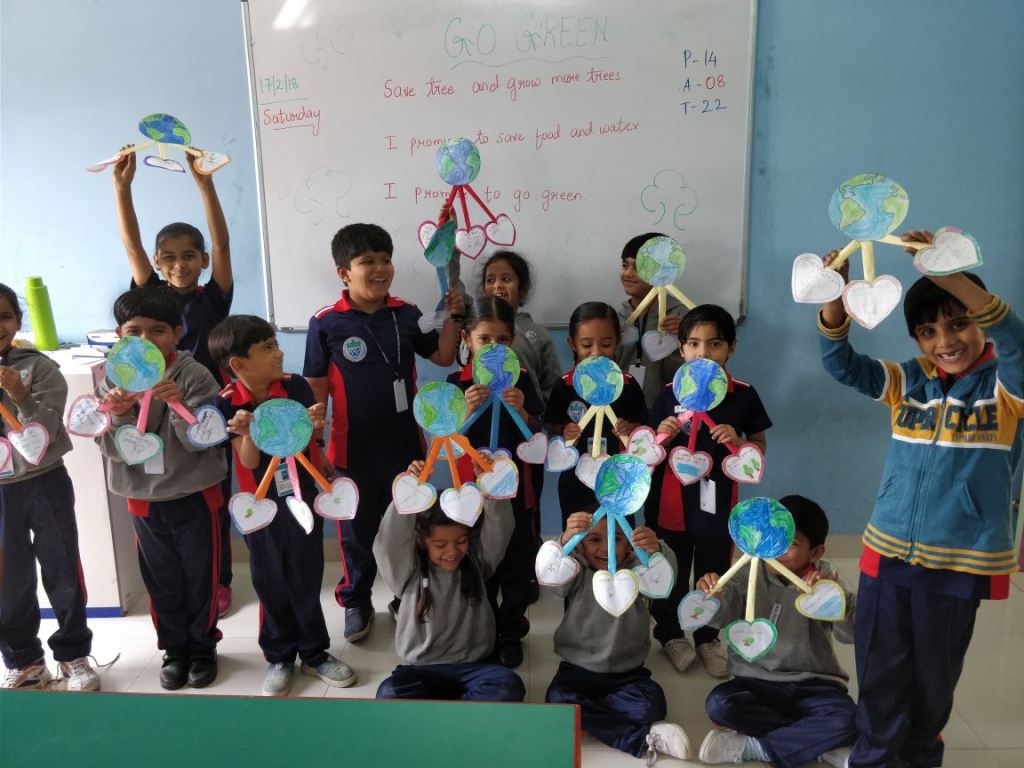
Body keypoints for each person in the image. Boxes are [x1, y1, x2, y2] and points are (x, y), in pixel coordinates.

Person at [818, 231, 1024, 767]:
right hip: (885, 554)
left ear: (980, 321)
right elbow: (842, 365)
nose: (945, 341)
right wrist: (834, 298)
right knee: (880, 673)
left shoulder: (1007, 388)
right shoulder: (908, 381)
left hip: (958, 561)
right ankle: (874, 757)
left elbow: (1015, 338)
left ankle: (917, 755)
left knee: (933, 683)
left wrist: (943, 273)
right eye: (928, 332)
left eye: (959, 323)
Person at [303, 223, 464, 642]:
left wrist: (453, 316)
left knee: (407, 527)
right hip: (350, 449)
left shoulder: (406, 313)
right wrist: (316, 444)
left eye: (385, 259)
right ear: (344, 273)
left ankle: (405, 595)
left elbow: (443, 356)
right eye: (367, 261)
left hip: (404, 446)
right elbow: (316, 387)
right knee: (356, 533)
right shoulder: (325, 323)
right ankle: (356, 601)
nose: (379, 268)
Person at [112, 148, 236, 616]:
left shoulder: (213, 298)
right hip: (156, 405)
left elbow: (222, 247)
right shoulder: (152, 300)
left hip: (204, 407)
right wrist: (122, 189)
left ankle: (219, 579)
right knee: (165, 494)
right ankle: (176, 582)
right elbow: (131, 247)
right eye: (169, 258)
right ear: (158, 263)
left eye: (189, 256)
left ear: (201, 260)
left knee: (213, 497)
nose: (179, 265)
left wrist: (205, 185)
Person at [209, 315, 356, 696]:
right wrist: (247, 432)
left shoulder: (295, 387)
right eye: (267, 348)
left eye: (275, 344)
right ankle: (279, 655)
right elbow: (249, 462)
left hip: (300, 499)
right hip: (259, 509)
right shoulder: (227, 402)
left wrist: (314, 423)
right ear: (239, 364)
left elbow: (306, 442)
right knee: (270, 579)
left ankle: (315, 653)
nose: (279, 353)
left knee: (306, 574)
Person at [96, 286, 227, 690]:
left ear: (177, 332)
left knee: (201, 577)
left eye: (158, 331)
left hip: (195, 494)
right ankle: (174, 649)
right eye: (134, 331)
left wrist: (177, 405)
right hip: (143, 498)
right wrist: (121, 414)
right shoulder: (112, 380)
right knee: (161, 579)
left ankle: (202, 648)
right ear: (119, 335)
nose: (146, 340)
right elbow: (111, 449)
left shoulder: (194, 375)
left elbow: (203, 440)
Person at [649, 304, 771, 677]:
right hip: (672, 499)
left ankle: (707, 635)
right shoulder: (668, 393)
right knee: (672, 565)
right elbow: (649, 451)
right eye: (693, 344)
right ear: (681, 349)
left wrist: (739, 441)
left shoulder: (743, 394)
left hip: (719, 499)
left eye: (714, 344)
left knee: (714, 568)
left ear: (730, 348)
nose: (703, 353)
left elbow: (759, 447)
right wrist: (662, 434)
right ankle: (670, 633)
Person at [696, 495, 856, 768]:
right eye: (771, 538)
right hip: (756, 682)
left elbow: (851, 633)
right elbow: (719, 617)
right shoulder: (747, 573)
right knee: (720, 704)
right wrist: (712, 598)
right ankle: (814, 743)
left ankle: (760, 747)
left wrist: (833, 601)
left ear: (815, 553)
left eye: (790, 544)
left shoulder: (826, 581)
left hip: (814, 683)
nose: (775, 549)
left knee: (849, 719)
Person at [0, 284, 97, 691]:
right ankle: (24, 660)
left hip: (44, 481)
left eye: (4, 316)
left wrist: (20, 396)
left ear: (17, 321)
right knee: (8, 578)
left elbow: (48, 427)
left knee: (62, 567)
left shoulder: (38, 368)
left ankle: (74, 654)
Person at [545, 506, 691, 763]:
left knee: (652, 705)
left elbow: (667, 578)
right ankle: (641, 738)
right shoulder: (576, 570)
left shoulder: (637, 571)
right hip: (578, 670)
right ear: (580, 545)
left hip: (627, 673)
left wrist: (657, 549)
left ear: (629, 545)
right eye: (594, 539)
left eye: (617, 539)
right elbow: (550, 574)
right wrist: (564, 540)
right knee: (558, 703)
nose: (606, 549)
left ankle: (593, 712)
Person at [447, 297, 542, 668]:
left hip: (517, 490)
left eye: (502, 340)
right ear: (467, 339)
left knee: (517, 561)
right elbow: (446, 443)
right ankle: (484, 630)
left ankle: (511, 630)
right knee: (479, 561)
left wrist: (522, 410)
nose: (493, 347)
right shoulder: (457, 383)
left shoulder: (522, 380)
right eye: (484, 339)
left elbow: (537, 436)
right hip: (472, 494)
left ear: (513, 341)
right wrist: (466, 410)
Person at [372, 485, 524, 702]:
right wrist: (407, 493)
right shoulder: (406, 572)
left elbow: (500, 527)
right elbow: (389, 542)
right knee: (389, 693)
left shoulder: (478, 562)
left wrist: (492, 486)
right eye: (440, 544)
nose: (452, 551)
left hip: (475, 666)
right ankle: (461, 709)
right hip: (421, 669)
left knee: (509, 685)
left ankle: (445, 711)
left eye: (461, 541)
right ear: (421, 541)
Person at [544, 302, 647, 525]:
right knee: (577, 534)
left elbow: (644, 431)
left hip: (620, 479)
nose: (597, 352)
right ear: (572, 344)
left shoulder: (628, 385)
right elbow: (552, 429)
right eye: (586, 345)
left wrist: (630, 430)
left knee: (620, 535)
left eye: (606, 344)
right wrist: (564, 432)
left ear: (618, 341)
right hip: (575, 479)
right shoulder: (564, 386)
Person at [480, 250, 562, 405]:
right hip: (484, 415)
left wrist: (538, 414)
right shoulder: (475, 332)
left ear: (522, 289)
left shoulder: (539, 335)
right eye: (490, 280)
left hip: (527, 416)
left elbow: (552, 388)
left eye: (506, 279)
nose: (497, 285)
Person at [615, 233, 686, 408]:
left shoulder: (681, 317)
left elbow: (691, 370)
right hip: (623, 412)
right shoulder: (616, 317)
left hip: (667, 411)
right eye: (625, 265)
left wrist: (686, 337)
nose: (628, 274)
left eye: (639, 267)